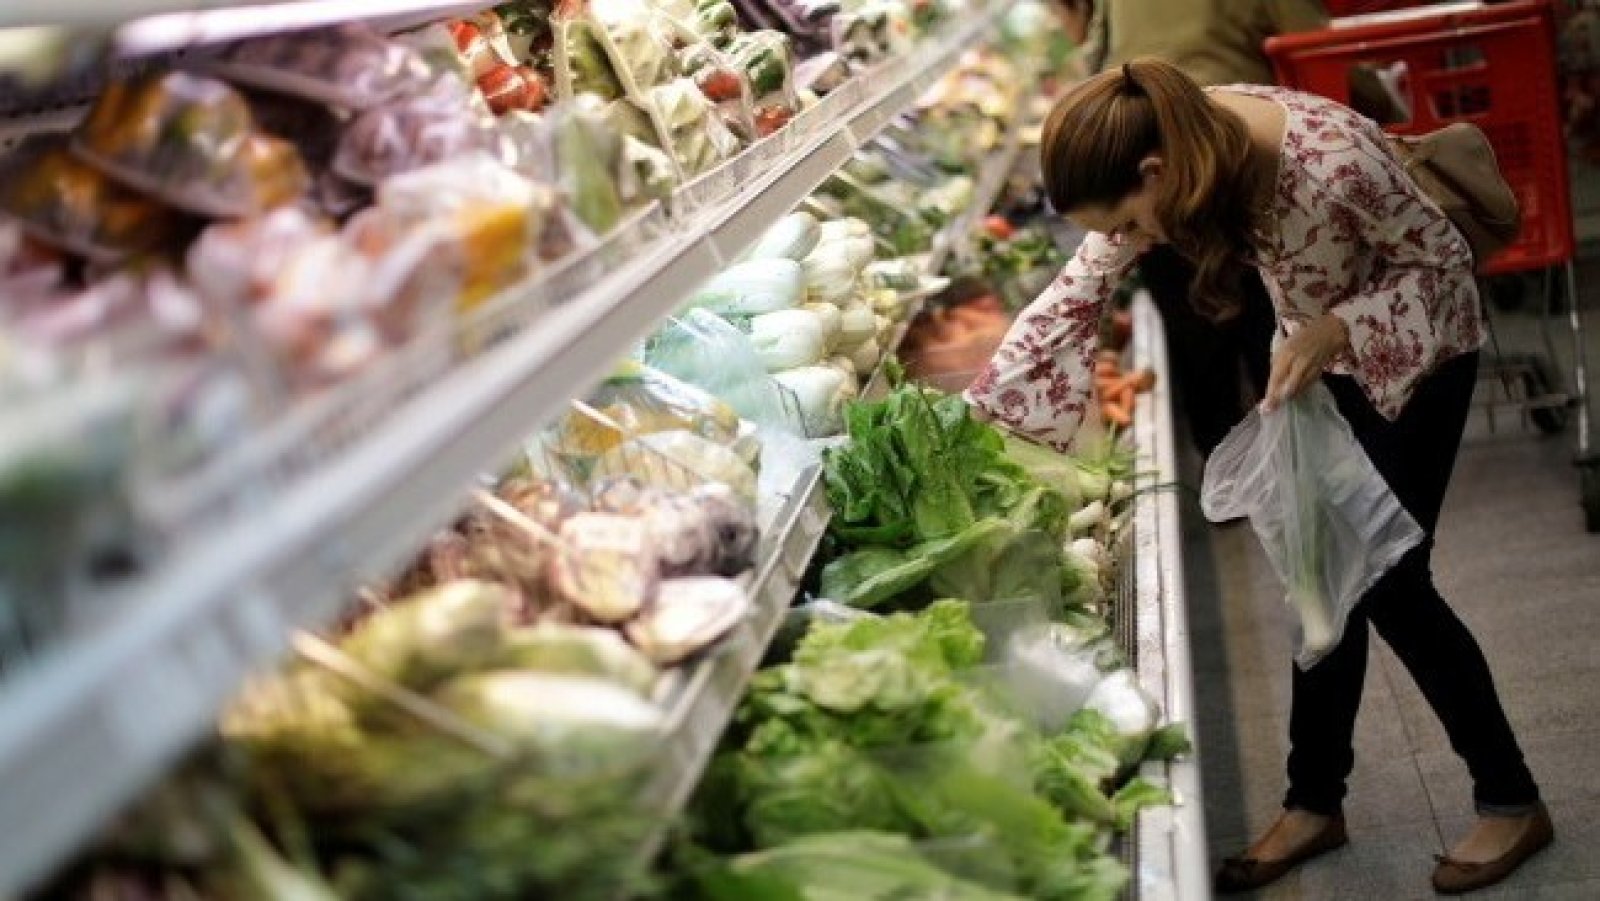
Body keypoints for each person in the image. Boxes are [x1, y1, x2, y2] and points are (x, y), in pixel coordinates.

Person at [966, 58, 1552, 895]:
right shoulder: (1173, 139)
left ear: (1153, 174)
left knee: (1389, 580)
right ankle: (1313, 802)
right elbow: (1080, 287)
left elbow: (1444, 268)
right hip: (1320, 364)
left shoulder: (1325, 161)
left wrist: (1337, 328)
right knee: (1318, 579)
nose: (1140, 239)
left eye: (1133, 219)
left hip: (1420, 357)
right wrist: (983, 415)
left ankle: (1511, 798)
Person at [1047, 0, 1408, 457]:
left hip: (1154, 158)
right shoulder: (1303, 163)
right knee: (1272, 336)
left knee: (1200, 350)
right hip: (1229, 165)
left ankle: (1230, 464)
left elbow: (1092, 49)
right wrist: (1385, 108)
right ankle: (1290, 454)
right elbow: (1320, 47)